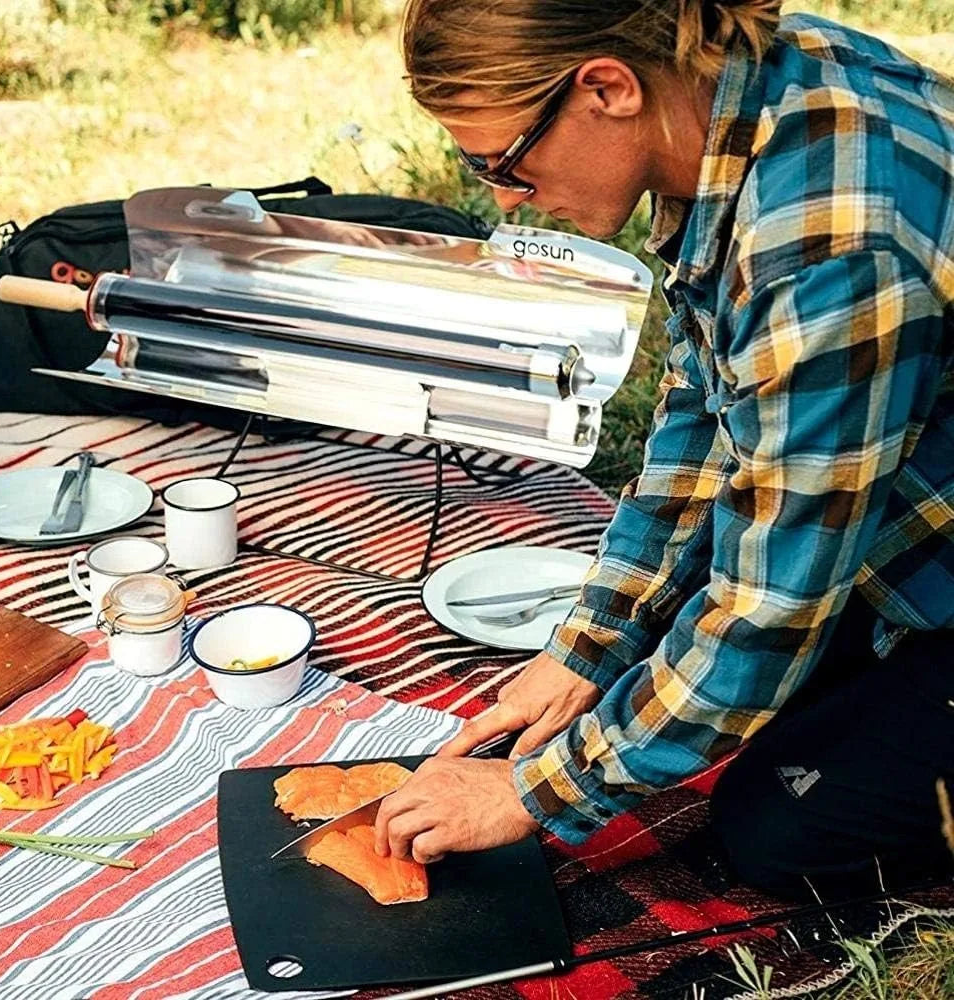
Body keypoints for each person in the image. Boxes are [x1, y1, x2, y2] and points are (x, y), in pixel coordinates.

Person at [372, 0, 954, 900]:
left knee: (780, 829)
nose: (502, 198)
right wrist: (587, 650)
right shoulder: (737, 95)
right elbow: (703, 417)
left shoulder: (825, 246)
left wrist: (535, 791)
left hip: (926, 569)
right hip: (898, 511)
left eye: (505, 165)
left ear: (606, 87)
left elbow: (772, 604)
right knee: (687, 695)